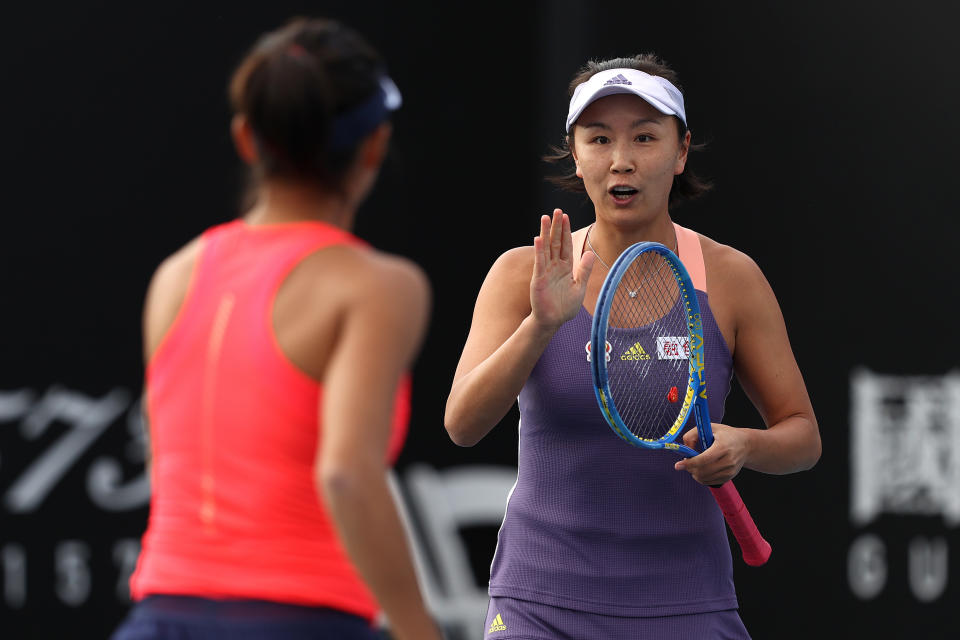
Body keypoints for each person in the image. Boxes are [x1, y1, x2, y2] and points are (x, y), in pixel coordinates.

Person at [444, 54, 821, 638]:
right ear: (576, 153)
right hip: (538, 603)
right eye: (599, 139)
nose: (621, 160)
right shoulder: (520, 273)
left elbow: (803, 437)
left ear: (681, 151)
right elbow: (462, 424)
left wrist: (744, 444)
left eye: (645, 137)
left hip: (686, 604)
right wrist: (541, 324)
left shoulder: (732, 278)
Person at [111, 17, 443, 640]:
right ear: (374, 145)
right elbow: (345, 474)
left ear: (245, 139)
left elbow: (172, 465)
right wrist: (419, 630)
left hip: (158, 618)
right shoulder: (379, 286)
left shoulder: (173, 276)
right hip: (302, 620)